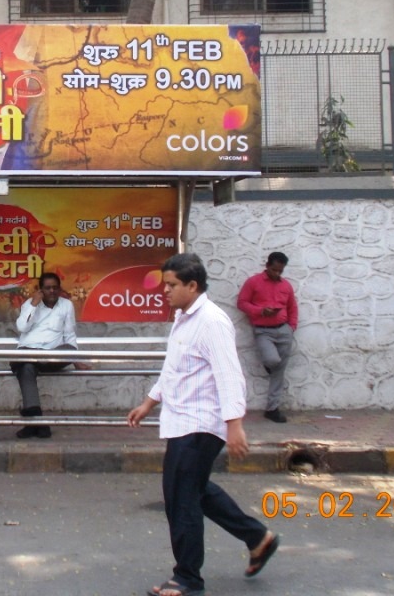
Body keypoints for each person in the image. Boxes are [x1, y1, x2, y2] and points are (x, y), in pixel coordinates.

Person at [128, 253, 279, 596]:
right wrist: (149, 402)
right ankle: (258, 538)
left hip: (199, 425)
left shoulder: (212, 321)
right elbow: (175, 370)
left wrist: (235, 425)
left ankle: (187, 579)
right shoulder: (184, 319)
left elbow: (229, 376)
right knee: (196, 490)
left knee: (181, 499)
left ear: (192, 286)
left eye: (171, 285)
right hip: (181, 421)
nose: (164, 291)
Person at [10, 272, 88, 439]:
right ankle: (36, 423)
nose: (52, 291)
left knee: (67, 350)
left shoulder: (66, 305)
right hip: (29, 351)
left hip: (52, 356)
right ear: (40, 290)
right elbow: (22, 328)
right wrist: (34, 304)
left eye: (55, 288)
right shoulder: (29, 304)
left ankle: (32, 421)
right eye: (47, 288)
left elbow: (69, 335)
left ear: (59, 289)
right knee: (26, 368)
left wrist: (76, 360)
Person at [236, 251, 298, 423]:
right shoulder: (253, 282)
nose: (277, 274)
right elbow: (242, 302)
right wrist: (260, 311)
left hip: (284, 330)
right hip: (263, 330)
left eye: (280, 271)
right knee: (272, 360)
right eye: (274, 270)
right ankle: (269, 366)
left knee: (279, 373)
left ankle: (272, 408)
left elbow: (292, 307)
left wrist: (292, 327)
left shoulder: (286, 286)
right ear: (267, 266)